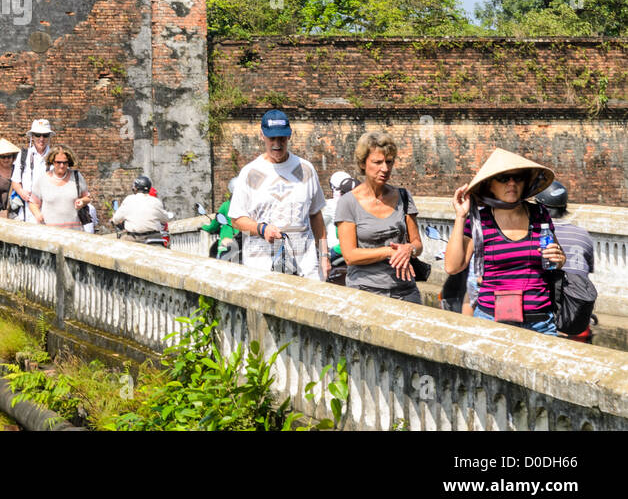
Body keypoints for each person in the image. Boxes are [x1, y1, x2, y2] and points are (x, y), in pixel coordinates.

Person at [443, 148, 565, 335]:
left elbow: (557, 259)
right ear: (490, 185)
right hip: (493, 321)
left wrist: (559, 258)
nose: (511, 183)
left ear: (525, 182)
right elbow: (453, 267)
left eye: (518, 178)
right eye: (503, 178)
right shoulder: (478, 221)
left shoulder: (539, 214)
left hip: (540, 321)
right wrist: (460, 216)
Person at [228, 110, 330, 280]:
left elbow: (316, 215)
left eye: (281, 138)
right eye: (272, 138)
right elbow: (236, 219)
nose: (277, 144)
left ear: (289, 136)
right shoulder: (250, 173)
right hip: (261, 267)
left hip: (305, 264)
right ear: (262, 136)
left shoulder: (306, 170)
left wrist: (324, 255)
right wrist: (261, 229)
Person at [334, 131, 423, 304]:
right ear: (362, 164)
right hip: (365, 291)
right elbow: (350, 256)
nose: (385, 168)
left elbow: (418, 244)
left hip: (405, 291)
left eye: (389, 162)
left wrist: (409, 249)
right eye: (377, 162)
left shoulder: (403, 197)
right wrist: (389, 252)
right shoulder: (348, 203)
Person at [533, 179, 597, 341]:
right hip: (577, 316)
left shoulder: (536, 234)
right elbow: (586, 270)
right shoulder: (583, 234)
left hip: (548, 315)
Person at [28, 146, 91, 230]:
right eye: (58, 162)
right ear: (52, 162)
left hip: (73, 232)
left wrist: (82, 201)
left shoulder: (76, 177)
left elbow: (87, 198)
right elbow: (33, 203)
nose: (62, 166)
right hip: (49, 232)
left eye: (65, 162)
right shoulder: (43, 179)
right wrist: (38, 215)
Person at [9, 119, 53, 222]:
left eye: (45, 135)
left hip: (48, 211)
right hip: (26, 211)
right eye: (38, 135)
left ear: (49, 137)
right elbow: (15, 181)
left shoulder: (55, 157)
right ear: (32, 136)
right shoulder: (23, 155)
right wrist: (21, 192)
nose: (41, 139)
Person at [111, 175, 173, 242]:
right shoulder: (156, 201)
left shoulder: (129, 200)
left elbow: (116, 219)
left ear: (135, 188)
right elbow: (165, 219)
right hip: (153, 238)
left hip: (133, 238)